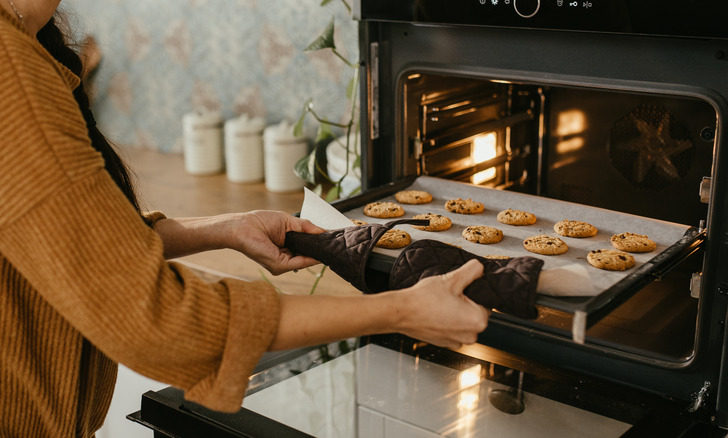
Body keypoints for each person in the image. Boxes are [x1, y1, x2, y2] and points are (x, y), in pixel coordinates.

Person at [0, 1, 491, 436]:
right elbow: (160, 320)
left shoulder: (27, 44)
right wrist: (401, 311)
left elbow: (77, 244)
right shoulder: (11, 69)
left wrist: (228, 228)